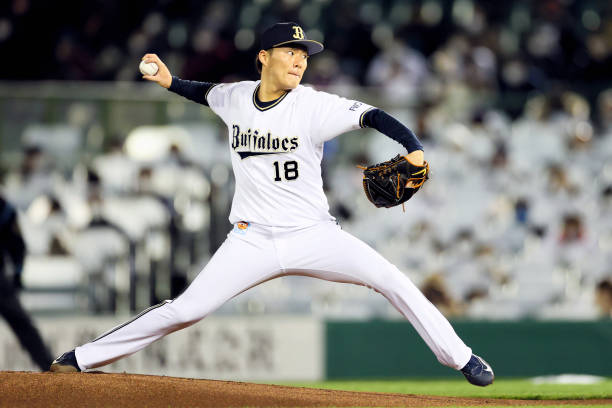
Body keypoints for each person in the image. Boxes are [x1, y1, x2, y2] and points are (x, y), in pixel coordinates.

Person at [50, 22, 494, 386]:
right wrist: (168, 81)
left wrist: (413, 148)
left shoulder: (313, 105)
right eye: (289, 51)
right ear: (263, 57)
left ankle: (463, 359)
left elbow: (373, 115)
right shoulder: (236, 97)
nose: (300, 59)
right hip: (251, 240)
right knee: (185, 310)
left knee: (392, 280)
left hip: (314, 234)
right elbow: (201, 91)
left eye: (304, 54)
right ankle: (81, 357)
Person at [0, 195, 54, 371]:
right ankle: (48, 366)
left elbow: (17, 244)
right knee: (24, 325)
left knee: (23, 325)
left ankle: (49, 367)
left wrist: (17, 273)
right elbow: (18, 244)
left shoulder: (4, 207)